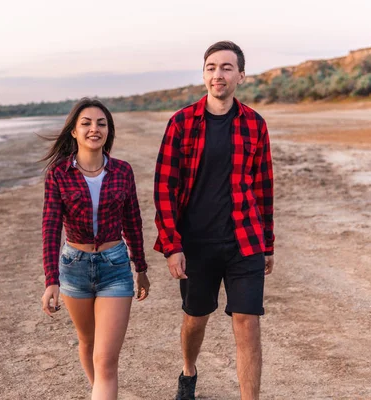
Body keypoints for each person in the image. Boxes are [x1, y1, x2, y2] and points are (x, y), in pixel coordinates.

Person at [153, 41, 275, 400]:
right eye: (211, 67)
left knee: (247, 323)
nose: (217, 74)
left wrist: (267, 244)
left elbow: (264, 188)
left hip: (245, 240)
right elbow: (164, 189)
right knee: (195, 318)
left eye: (225, 67)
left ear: (240, 75)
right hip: (196, 244)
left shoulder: (255, 124)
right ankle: (189, 371)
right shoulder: (181, 123)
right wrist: (172, 247)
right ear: (204, 74)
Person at [40, 98, 150, 400]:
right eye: (86, 123)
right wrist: (51, 280)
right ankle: (100, 390)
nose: (94, 129)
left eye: (101, 123)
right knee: (87, 341)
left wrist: (140, 268)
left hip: (115, 267)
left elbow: (133, 222)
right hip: (73, 266)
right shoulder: (58, 174)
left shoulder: (122, 172)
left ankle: (102, 388)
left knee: (106, 360)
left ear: (108, 130)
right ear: (74, 132)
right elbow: (50, 226)